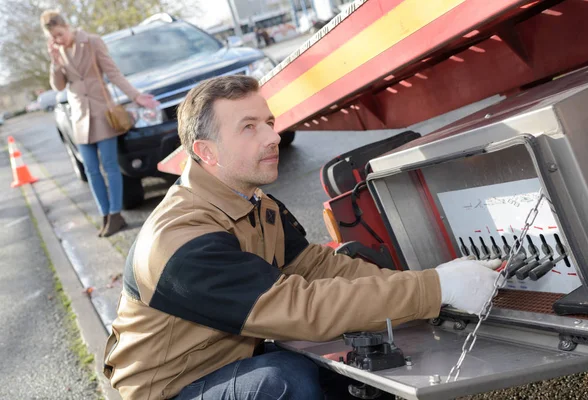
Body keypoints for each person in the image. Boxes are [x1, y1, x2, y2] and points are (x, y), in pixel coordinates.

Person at [103, 75, 501, 399]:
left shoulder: (256, 204)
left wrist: (434, 289)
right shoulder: (180, 240)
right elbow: (299, 308)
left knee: (358, 372)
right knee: (284, 383)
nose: (273, 137)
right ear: (207, 152)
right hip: (171, 389)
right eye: (249, 128)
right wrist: (433, 289)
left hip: (229, 358)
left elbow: (318, 267)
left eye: (269, 123)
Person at [41, 10, 159, 237]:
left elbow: (113, 74)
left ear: (66, 26)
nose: (58, 40)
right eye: (53, 37)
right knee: (91, 170)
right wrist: (55, 63)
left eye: (59, 34)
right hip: (79, 117)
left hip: (102, 113)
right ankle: (105, 214)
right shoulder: (59, 53)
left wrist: (136, 96)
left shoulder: (92, 42)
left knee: (110, 166)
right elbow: (58, 87)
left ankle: (116, 215)